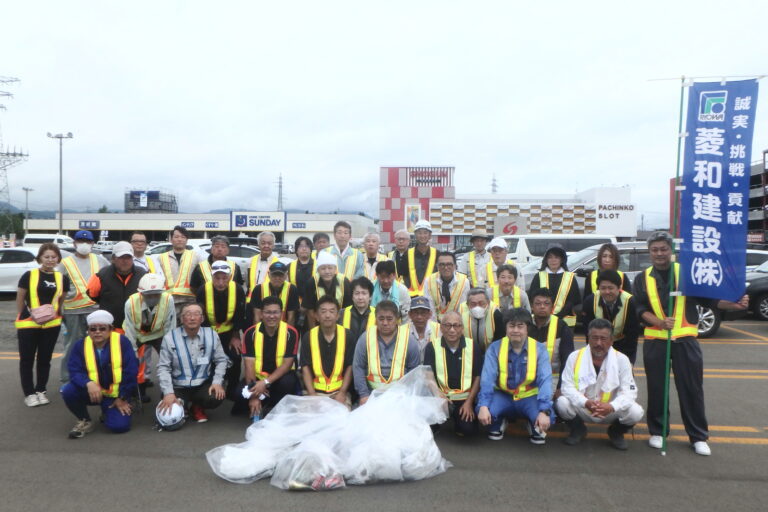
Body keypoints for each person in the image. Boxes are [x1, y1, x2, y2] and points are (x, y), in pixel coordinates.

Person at [633, 231, 748, 456]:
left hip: (686, 340)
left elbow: (711, 300)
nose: (659, 254)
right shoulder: (642, 278)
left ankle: (698, 436)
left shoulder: (687, 273)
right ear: (649, 253)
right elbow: (639, 308)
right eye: (654, 250)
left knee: (691, 389)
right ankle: (658, 431)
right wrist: (658, 321)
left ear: (671, 250)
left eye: (663, 249)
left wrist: (734, 304)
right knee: (657, 388)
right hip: (656, 340)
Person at [556, 318, 644, 450]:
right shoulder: (574, 357)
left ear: (611, 340)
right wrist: (585, 402)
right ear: (588, 338)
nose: (598, 343)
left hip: (609, 410)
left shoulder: (622, 360)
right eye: (594, 338)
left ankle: (616, 432)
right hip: (584, 407)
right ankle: (578, 429)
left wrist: (611, 406)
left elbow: (629, 392)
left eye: (603, 339)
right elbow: (567, 387)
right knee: (561, 403)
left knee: (636, 412)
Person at [476, 308, 553, 444]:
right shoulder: (495, 348)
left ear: (527, 329)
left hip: (529, 397)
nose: (515, 330)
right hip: (503, 395)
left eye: (520, 326)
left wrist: (544, 411)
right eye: (511, 326)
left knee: (545, 425)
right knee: (485, 414)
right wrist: (483, 406)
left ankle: (532, 421)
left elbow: (545, 381)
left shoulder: (539, 349)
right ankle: (499, 421)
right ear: (506, 328)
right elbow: (487, 380)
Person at [60, 310, 139, 439]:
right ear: (88, 330)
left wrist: (122, 397)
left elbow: (131, 371)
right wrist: (87, 383)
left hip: (116, 395)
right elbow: (74, 370)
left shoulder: (122, 342)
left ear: (110, 329)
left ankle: (107, 411)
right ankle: (85, 420)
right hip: (92, 392)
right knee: (67, 391)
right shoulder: (80, 345)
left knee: (119, 427)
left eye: (102, 328)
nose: (97, 332)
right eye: (93, 329)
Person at [15, 243, 70, 407]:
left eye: (54, 257)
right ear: (40, 258)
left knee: (45, 359)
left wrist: (58, 316)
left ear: (58, 259)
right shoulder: (29, 275)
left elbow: (60, 301)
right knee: (27, 359)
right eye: (46, 257)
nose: (50, 260)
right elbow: (20, 298)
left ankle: (41, 390)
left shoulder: (62, 278)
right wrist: (23, 315)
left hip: (51, 325)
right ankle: (29, 393)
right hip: (28, 324)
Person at [157, 303, 229, 424]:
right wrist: (168, 392)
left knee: (215, 396)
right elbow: (163, 367)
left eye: (196, 314)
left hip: (202, 384)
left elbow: (221, 360)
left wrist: (217, 382)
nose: (192, 318)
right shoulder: (169, 338)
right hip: (179, 385)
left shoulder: (212, 335)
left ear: (202, 318)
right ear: (181, 318)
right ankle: (182, 405)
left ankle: (197, 406)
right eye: (188, 314)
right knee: (168, 406)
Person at [59, 230, 109, 383]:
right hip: (72, 311)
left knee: (97, 344)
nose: (84, 244)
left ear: (93, 244)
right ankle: (67, 378)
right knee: (72, 346)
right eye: (80, 241)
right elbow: (58, 287)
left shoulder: (100, 260)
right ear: (74, 243)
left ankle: (94, 376)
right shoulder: (65, 263)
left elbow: (109, 276)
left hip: (94, 310)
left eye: (88, 242)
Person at [197, 261, 247, 410]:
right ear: (212, 277)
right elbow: (200, 315)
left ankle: (232, 388)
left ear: (230, 277)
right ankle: (210, 385)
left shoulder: (237, 289)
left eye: (224, 278)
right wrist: (207, 339)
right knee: (207, 360)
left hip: (229, 332)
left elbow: (240, 314)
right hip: (208, 332)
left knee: (235, 357)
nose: (220, 282)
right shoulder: (202, 290)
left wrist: (236, 336)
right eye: (217, 278)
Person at [424, 311, 483, 436]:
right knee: (427, 428)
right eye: (447, 325)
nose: (452, 330)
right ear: (441, 327)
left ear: (462, 328)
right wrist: (438, 395)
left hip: (463, 398)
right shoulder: (432, 346)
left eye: (456, 326)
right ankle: (439, 422)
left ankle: (458, 421)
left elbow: (478, 376)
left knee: (468, 431)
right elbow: (428, 376)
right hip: (440, 397)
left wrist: (469, 402)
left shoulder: (472, 346)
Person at [352, 300, 421, 404]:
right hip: (371, 395)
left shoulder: (409, 340)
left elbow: (414, 371)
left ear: (397, 319)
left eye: (389, 319)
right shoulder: (365, 338)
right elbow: (358, 367)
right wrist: (364, 394)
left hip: (401, 396)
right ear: (375, 320)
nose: (385, 323)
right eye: (381, 319)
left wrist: (407, 395)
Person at [242, 297, 300, 419]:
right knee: (238, 394)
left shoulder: (291, 332)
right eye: (268, 312)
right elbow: (249, 365)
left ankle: (272, 405)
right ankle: (261, 402)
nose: (272, 316)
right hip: (258, 378)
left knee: (287, 383)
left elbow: (287, 365)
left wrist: (266, 382)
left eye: (275, 312)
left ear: (281, 314)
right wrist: (254, 395)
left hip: (279, 378)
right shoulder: (250, 333)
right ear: (261, 314)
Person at [123, 273, 176, 402]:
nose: (153, 297)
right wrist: (133, 351)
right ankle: (137, 390)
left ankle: (168, 391)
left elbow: (171, 324)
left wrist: (171, 346)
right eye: (149, 295)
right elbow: (129, 328)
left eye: (157, 294)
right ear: (141, 293)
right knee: (133, 362)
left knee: (170, 360)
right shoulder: (130, 303)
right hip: (138, 335)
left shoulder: (168, 299)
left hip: (159, 333)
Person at [300, 296, 355, 406]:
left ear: (338, 315)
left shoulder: (348, 335)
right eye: (323, 311)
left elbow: (350, 366)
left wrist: (342, 392)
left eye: (332, 311)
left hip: (339, 392)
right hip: (314, 392)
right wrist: (312, 394)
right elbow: (305, 367)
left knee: (340, 419)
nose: (327, 315)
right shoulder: (308, 336)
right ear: (316, 316)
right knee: (308, 419)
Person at [581, 269, 640, 364]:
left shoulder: (630, 302)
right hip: (598, 344)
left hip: (623, 344)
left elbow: (632, 334)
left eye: (611, 288)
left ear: (619, 287)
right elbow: (587, 331)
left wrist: (628, 360)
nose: (607, 292)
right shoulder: (590, 301)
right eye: (603, 288)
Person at [87, 242, 146, 330]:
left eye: (128, 257)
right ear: (113, 259)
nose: (125, 261)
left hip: (136, 328)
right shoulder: (101, 276)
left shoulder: (143, 275)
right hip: (111, 327)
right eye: (121, 257)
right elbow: (93, 295)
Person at [528, 289, 574, 393]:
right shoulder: (524, 325)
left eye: (546, 303)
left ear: (552, 307)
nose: (542, 306)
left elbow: (567, 360)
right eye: (538, 303)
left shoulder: (562, 327)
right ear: (532, 306)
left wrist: (560, 387)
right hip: (527, 379)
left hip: (553, 379)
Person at [527, 244, 581, 328]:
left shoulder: (570, 277)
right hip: (542, 321)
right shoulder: (539, 276)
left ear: (562, 260)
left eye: (556, 257)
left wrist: (559, 316)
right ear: (546, 260)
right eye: (550, 257)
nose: (553, 260)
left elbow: (573, 300)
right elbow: (532, 298)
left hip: (565, 322)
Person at [157, 225, 201, 319]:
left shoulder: (195, 256)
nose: (179, 239)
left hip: (190, 300)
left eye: (183, 237)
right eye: (176, 237)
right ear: (171, 239)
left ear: (187, 240)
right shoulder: (161, 258)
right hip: (168, 300)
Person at [303, 252, 352, 327]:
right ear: (318, 270)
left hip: (340, 322)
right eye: (323, 268)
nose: (327, 271)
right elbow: (310, 310)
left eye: (330, 268)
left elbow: (348, 308)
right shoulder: (312, 282)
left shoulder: (344, 281)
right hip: (318, 323)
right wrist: (313, 331)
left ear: (335, 269)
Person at [250, 261, 300, 326]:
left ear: (286, 275)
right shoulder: (258, 289)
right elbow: (257, 316)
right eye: (274, 275)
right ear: (268, 274)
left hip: (283, 327)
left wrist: (287, 333)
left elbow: (291, 317)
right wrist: (258, 334)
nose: (277, 278)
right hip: (264, 327)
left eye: (281, 275)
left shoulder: (292, 289)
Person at [426, 252, 470, 321]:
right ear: (437, 266)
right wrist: (435, 327)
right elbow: (430, 307)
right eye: (442, 265)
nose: (446, 268)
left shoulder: (464, 281)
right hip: (435, 322)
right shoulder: (428, 281)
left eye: (449, 264)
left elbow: (462, 308)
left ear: (455, 266)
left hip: (455, 322)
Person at [403, 219, 438, 297]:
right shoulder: (407, 254)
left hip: (431, 297)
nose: (422, 236)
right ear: (415, 234)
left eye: (425, 233)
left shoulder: (437, 254)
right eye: (419, 233)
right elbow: (403, 277)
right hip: (410, 298)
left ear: (430, 235)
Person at [339, 277, 376, 342]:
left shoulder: (377, 314)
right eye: (357, 293)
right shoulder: (341, 314)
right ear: (352, 296)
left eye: (364, 293)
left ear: (370, 296)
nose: (360, 297)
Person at [247, 231, 279, 301]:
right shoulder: (251, 261)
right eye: (263, 243)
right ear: (258, 244)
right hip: (252, 301)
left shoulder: (278, 263)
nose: (266, 246)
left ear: (273, 245)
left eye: (269, 243)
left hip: (271, 302)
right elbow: (247, 282)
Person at [406, 296, 440, 361]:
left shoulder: (440, 330)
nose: (419, 317)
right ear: (410, 314)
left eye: (423, 313)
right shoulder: (401, 331)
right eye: (416, 313)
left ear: (430, 314)